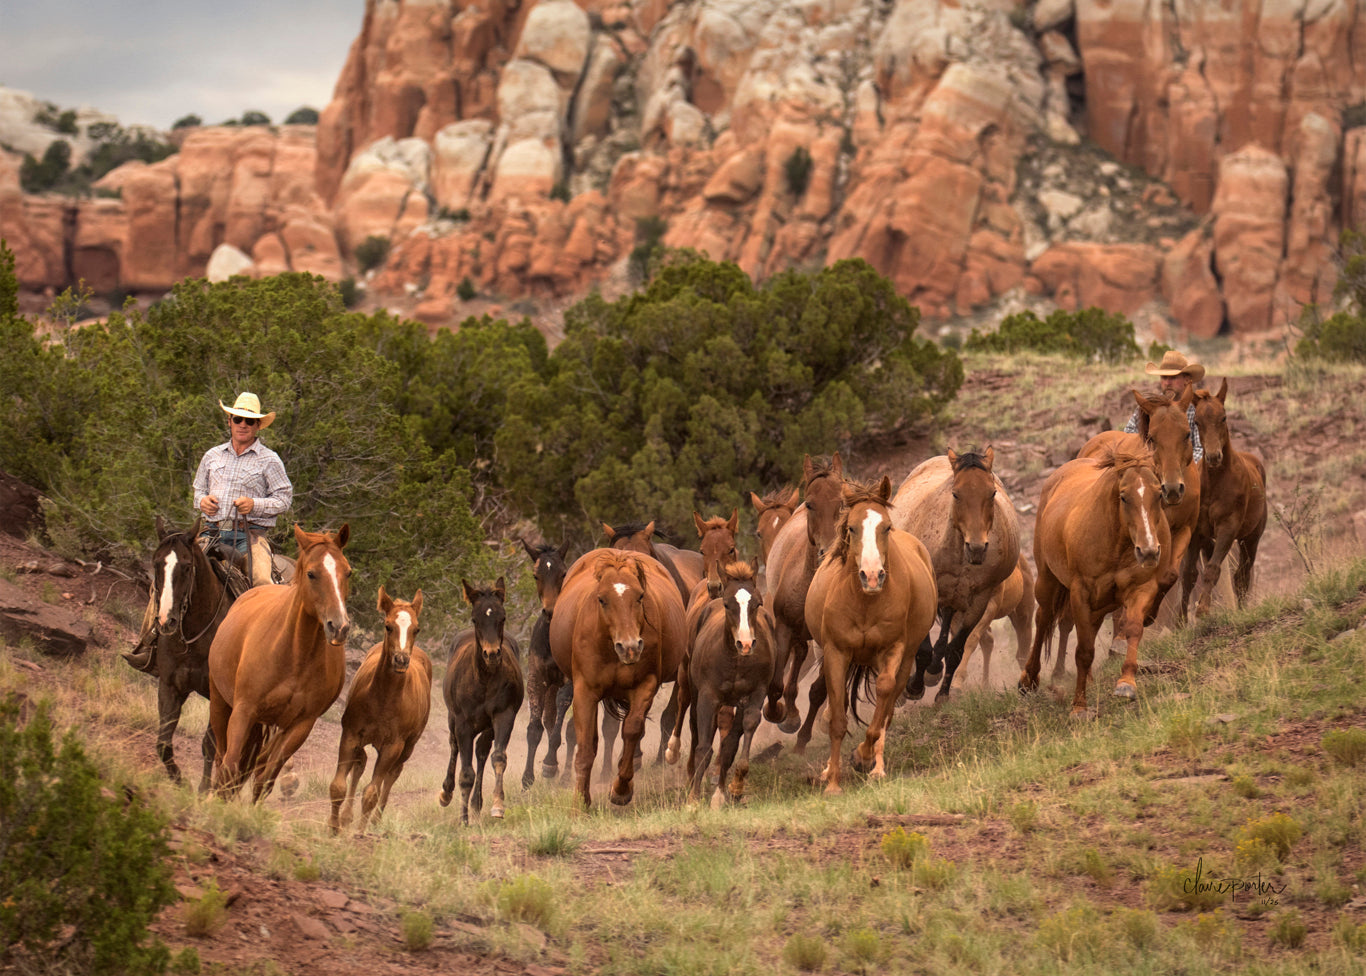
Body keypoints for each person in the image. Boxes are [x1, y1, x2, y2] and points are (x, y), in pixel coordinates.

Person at [124, 392, 293, 673]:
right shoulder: (212, 456)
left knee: (263, 584)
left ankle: (271, 660)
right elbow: (198, 491)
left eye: (250, 422)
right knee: (169, 577)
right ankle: (149, 645)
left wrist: (256, 504)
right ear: (229, 421)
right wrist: (202, 501)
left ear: (258, 426)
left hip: (250, 536)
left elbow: (284, 499)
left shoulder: (269, 460)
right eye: (238, 419)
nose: (243, 425)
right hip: (210, 533)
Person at [1123, 349, 1204, 465]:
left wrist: (1181, 467)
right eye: (1164, 378)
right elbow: (1128, 435)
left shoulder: (1196, 411)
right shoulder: (1149, 406)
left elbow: (1200, 449)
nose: (1167, 382)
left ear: (1186, 380)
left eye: (1173, 377)